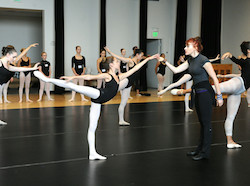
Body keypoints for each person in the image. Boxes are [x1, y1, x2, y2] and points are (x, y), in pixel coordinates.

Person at [34, 54, 159, 160]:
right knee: (74, 86)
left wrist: (149, 59)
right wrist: (74, 77)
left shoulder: (119, 76)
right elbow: (90, 77)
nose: (118, 62)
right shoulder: (108, 76)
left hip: (98, 102)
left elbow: (136, 68)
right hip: (98, 94)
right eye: (116, 61)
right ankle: (47, 79)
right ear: (111, 65)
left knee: (92, 127)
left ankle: (92, 153)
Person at [168, 42, 250, 149]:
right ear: (248, 51)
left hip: (239, 91)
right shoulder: (246, 61)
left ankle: (230, 141)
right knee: (213, 88)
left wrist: (225, 72)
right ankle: (184, 91)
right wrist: (230, 55)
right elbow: (237, 61)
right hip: (238, 83)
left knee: (230, 117)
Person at [159, 37, 223, 160]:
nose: (185, 48)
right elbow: (176, 70)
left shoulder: (203, 60)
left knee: (206, 124)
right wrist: (164, 61)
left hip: (205, 93)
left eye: (187, 46)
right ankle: (199, 149)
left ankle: (205, 152)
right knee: (202, 124)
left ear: (195, 47)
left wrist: (219, 96)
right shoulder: (190, 61)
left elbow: (214, 78)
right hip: (197, 93)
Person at [0, 44, 39, 125]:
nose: (15, 59)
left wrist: (33, 68)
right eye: (13, 57)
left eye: (15, 57)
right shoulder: (0, 62)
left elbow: (19, 68)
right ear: (7, 55)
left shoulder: (8, 65)